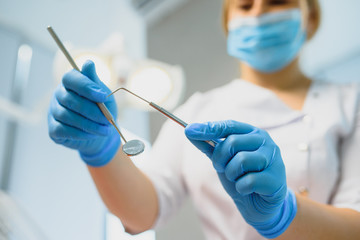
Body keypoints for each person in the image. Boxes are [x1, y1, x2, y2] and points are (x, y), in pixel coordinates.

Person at [48, 0, 360, 239]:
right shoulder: (196, 111)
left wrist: (283, 214)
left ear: (311, 17)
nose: (259, 13)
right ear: (228, 24)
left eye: (278, 1)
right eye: (245, 5)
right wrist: (100, 150)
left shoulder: (350, 102)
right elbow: (143, 212)